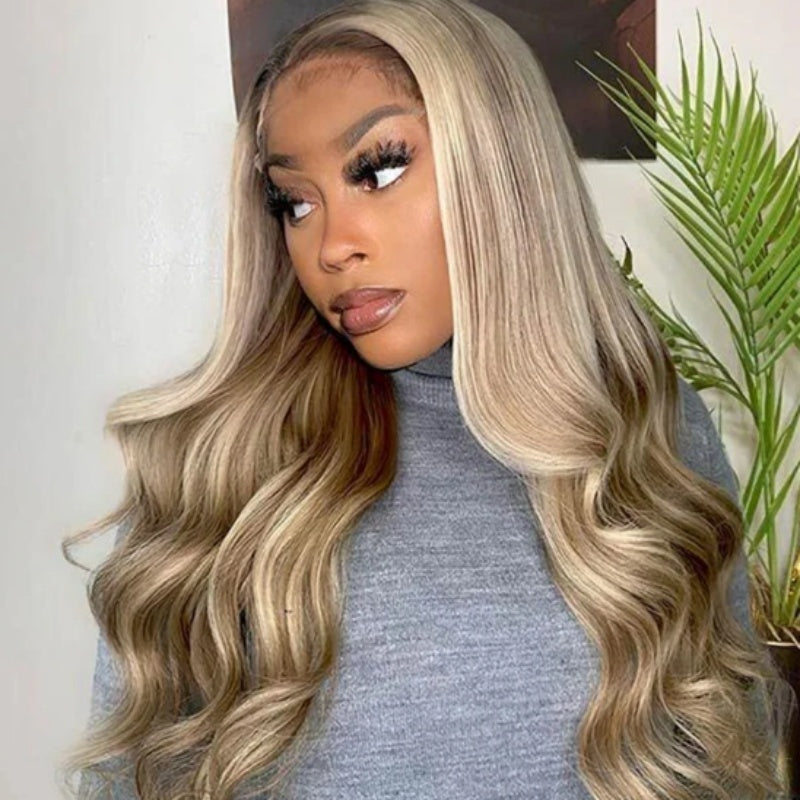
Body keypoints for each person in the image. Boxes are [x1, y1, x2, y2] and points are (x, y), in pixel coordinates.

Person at [60, 0, 795, 798]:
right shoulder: (221, 457)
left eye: (377, 169)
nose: (332, 245)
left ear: (503, 163)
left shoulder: (652, 428)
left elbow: (730, 749)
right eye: (294, 202)